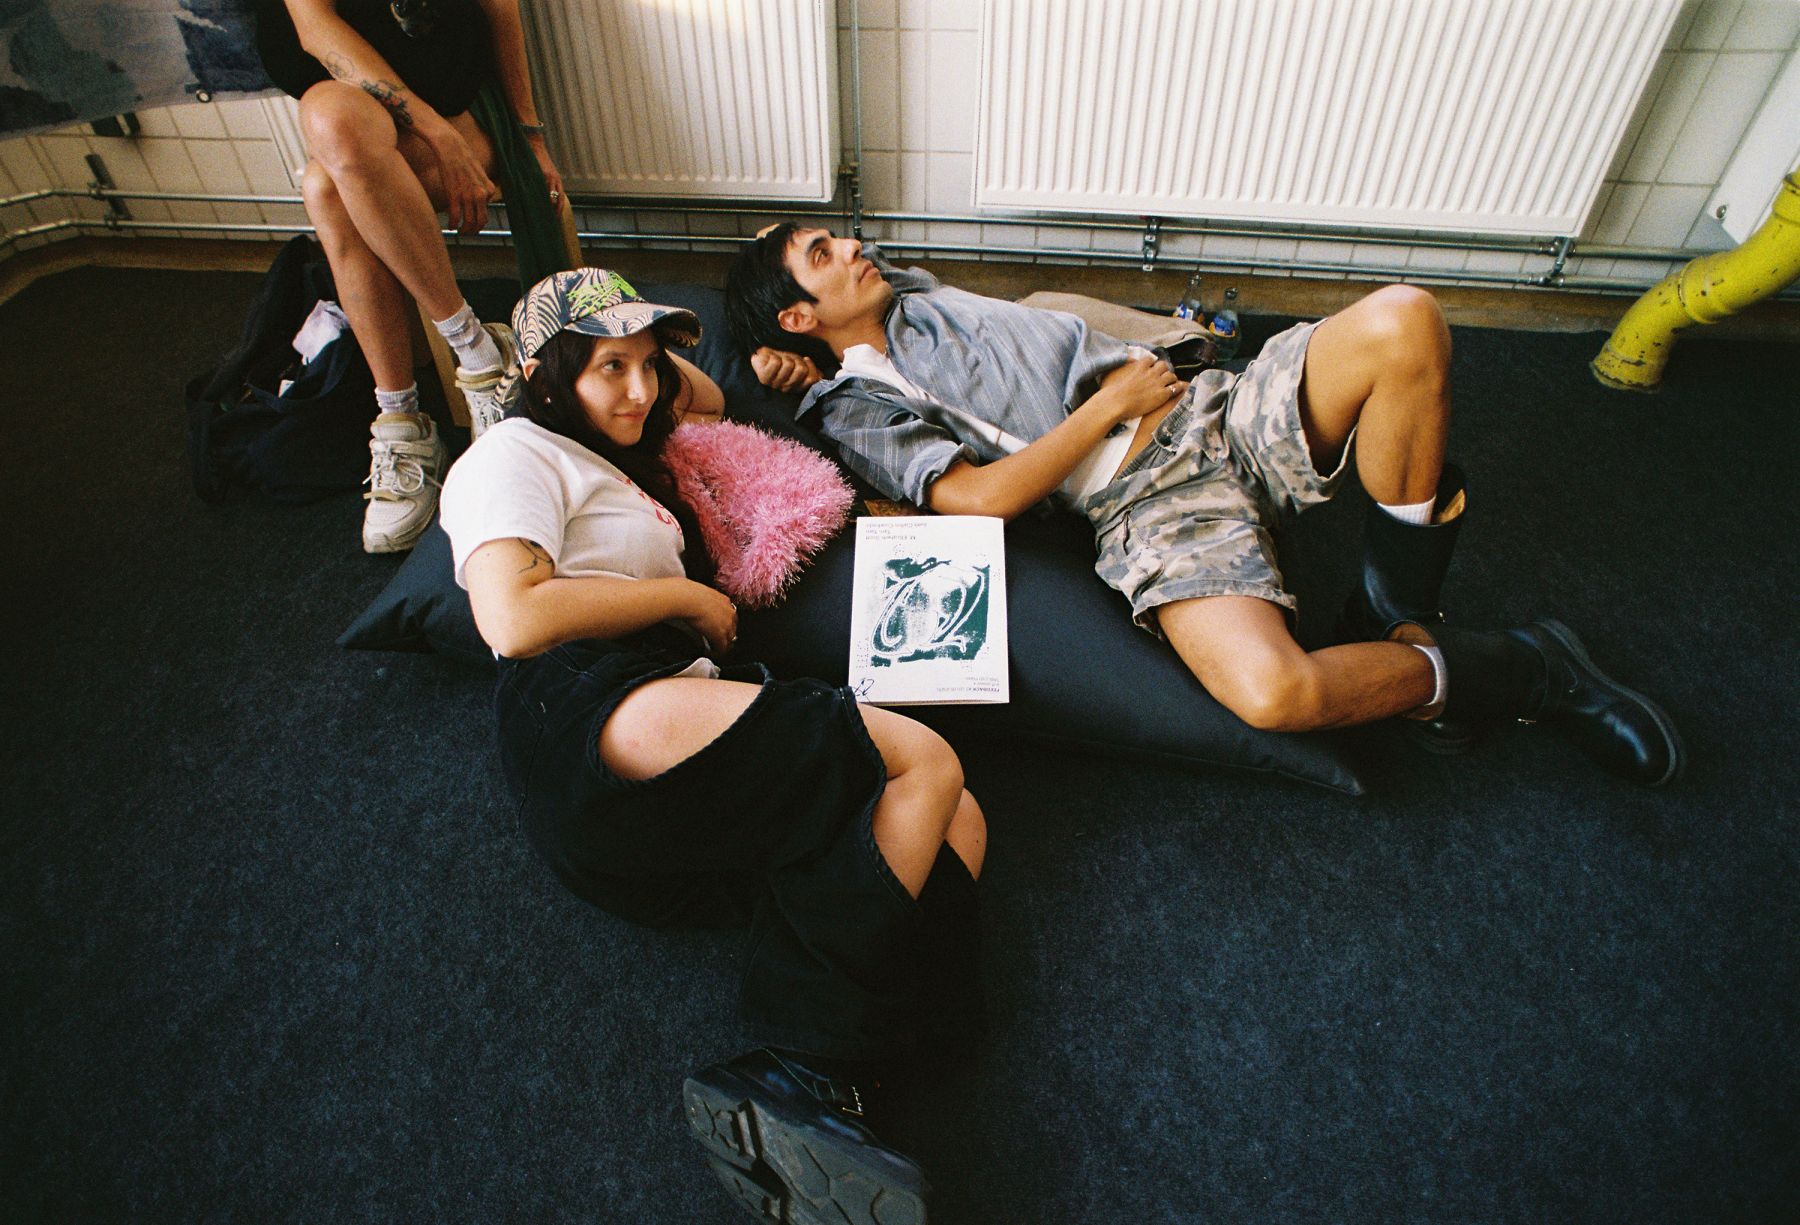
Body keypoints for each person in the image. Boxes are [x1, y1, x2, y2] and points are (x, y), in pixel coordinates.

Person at [725, 226, 1684, 787]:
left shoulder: (910, 289)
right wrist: (1108, 407)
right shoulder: (855, 407)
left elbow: (806, 310)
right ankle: (1524, 670)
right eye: (823, 253)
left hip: (1211, 408)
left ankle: (1393, 616)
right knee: (1275, 694)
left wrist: (783, 345)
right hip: (1148, 504)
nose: (854, 246)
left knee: (1406, 319)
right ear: (800, 314)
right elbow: (975, 501)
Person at [438, 268, 988, 1225]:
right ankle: (795, 1061)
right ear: (543, 378)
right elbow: (514, 616)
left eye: (648, 363)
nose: (640, 389)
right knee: (925, 759)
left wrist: (649, 364)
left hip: (670, 776)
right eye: (608, 367)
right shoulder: (512, 451)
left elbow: (710, 397)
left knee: (957, 822)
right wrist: (689, 596)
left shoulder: (638, 461)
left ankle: (833, 1096)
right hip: (592, 699)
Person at [255, 0, 564, 552]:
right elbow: (313, 28)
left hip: (462, 115)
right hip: (369, 131)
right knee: (329, 122)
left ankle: (406, 417)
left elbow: (500, 10)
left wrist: (529, 138)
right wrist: (437, 137)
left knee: (327, 191)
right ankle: (468, 360)